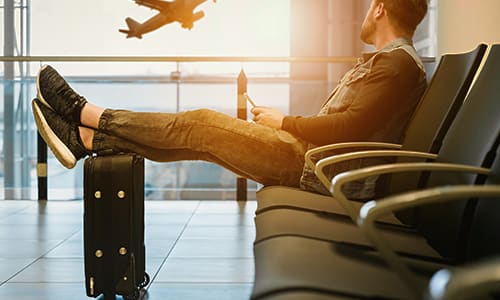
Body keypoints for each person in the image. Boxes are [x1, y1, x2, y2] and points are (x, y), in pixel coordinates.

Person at [32, 0, 428, 198]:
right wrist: (284, 122)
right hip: (316, 159)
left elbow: (348, 127)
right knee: (198, 141)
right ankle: (86, 140)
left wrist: (284, 123)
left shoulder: (395, 67)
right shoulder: (392, 64)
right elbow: (351, 123)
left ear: (378, 9)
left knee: (198, 124)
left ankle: (85, 113)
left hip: (315, 167)